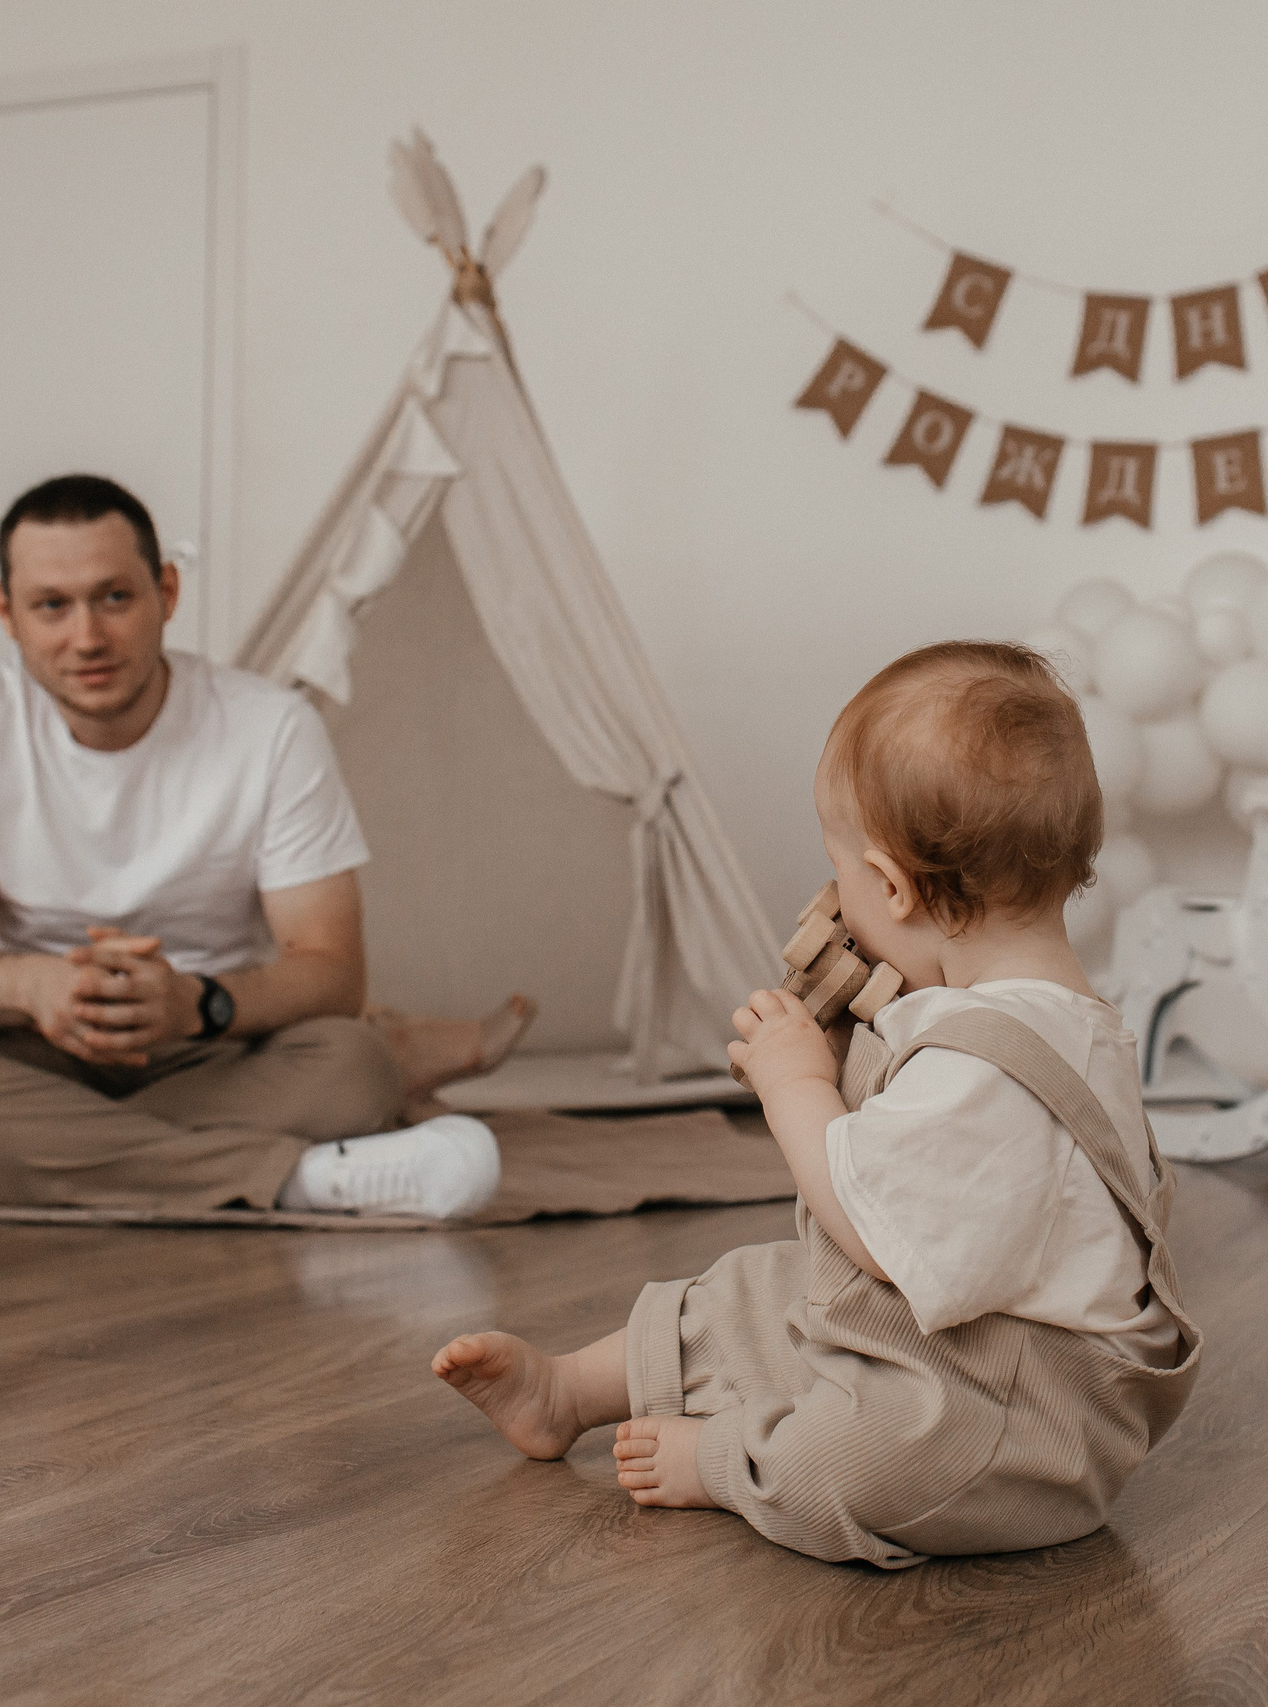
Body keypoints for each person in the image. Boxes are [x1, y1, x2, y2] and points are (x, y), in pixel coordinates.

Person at [430, 642, 1201, 1567]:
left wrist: (795, 1085)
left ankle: (729, 1458)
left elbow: (873, 1233)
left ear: (891, 885)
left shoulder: (988, 1073)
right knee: (760, 1291)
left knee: (849, 1460)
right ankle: (570, 1390)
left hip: (1020, 1418)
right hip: (959, 1346)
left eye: (841, 870)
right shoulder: (1030, 1018)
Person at [0, 473, 529, 1215]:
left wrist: (200, 1002)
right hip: (30, 1044)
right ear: (5, 610)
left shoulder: (269, 727)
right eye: (51, 606)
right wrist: (35, 988)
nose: (86, 637)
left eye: (114, 598)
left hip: (210, 1047)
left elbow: (330, 970)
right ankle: (298, 1180)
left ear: (166, 592)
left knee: (354, 1067)